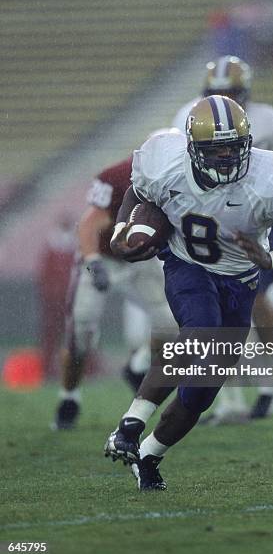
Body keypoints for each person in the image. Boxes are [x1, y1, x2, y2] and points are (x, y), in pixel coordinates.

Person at [104, 95, 273, 490]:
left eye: (235, 145)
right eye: (217, 148)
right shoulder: (165, 160)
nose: (228, 156)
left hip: (241, 279)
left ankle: (147, 456)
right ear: (193, 148)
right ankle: (129, 426)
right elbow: (137, 194)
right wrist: (120, 234)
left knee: (201, 393)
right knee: (200, 332)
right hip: (187, 265)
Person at [172, 55, 273, 422]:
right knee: (216, 312)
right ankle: (234, 394)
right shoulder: (185, 118)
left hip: (256, 216)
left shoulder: (267, 119)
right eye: (216, 92)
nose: (225, 99)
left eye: (231, 92)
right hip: (209, 217)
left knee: (251, 296)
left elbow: (266, 173)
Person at [53, 155, 176, 430]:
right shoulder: (118, 176)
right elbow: (89, 223)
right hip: (104, 255)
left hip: (141, 257)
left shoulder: (182, 175)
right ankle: (69, 396)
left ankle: (138, 364)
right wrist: (93, 263)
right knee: (81, 331)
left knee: (171, 324)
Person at [37, 214, 76, 379]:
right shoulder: (53, 248)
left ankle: (78, 368)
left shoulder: (75, 248)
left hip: (68, 297)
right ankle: (48, 368)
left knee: (75, 334)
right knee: (53, 334)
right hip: (56, 298)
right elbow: (44, 273)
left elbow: (86, 268)